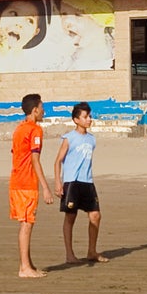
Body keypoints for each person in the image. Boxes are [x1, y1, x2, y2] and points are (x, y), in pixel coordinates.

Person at [53, 101, 107, 264]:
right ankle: (69, 254)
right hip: (72, 182)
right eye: (85, 117)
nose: (89, 119)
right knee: (70, 217)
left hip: (87, 182)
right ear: (76, 120)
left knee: (95, 215)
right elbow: (58, 161)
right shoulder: (69, 138)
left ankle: (92, 251)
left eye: (90, 116)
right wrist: (58, 182)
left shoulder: (92, 139)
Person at [10, 93, 54, 278]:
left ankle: (28, 264)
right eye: (42, 107)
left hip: (16, 182)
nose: (44, 111)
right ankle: (24, 268)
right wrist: (45, 187)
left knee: (26, 222)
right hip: (26, 183)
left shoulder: (19, 129)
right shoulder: (35, 130)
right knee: (27, 224)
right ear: (34, 110)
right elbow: (35, 160)